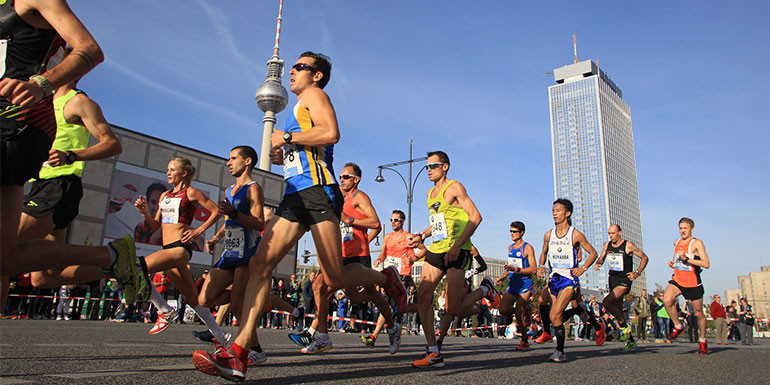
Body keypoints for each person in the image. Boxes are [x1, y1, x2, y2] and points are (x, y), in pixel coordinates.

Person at [192, 52, 405, 382]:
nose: (292, 70)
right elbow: (305, 151)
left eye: (300, 67)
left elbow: (331, 132)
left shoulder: (315, 96)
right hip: (294, 195)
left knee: (333, 279)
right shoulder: (296, 109)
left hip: (319, 192)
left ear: (316, 75)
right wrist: (282, 154)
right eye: (292, 66)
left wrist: (287, 138)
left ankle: (385, 278)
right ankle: (242, 351)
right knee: (261, 265)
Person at [0, 0, 148, 313]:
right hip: (38, 175)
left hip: (51, 173)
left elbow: (113, 144)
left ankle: (123, 258)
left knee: (7, 257)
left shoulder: (79, 102)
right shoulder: (55, 100)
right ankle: (114, 257)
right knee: (22, 269)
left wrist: (70, 154)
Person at [296, 162, 402, 355]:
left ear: (356, 180)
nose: (342, 179)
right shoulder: (339, 198)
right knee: (357, 297)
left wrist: (351, 223)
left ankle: (320, 335)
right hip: (341, 254)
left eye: (346, 177)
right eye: (341, 176)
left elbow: (375, 222)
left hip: (358, 256)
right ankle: (393, 327)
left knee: (323, 286)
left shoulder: (359, 197)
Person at [406, 151, 498, 369]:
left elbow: (476, 217)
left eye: (433, 166)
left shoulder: (455, 187)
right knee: (423, 296)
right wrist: (421, 236)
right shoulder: (430, 193)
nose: (428, 170)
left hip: (458, 250)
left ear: (445, 166)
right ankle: (434, 351)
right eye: (427, 167)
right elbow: (438, 222)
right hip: (437, 250)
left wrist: (457, 245)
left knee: (453, 309)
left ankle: (485, 291)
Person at [132, 157, 228, 343]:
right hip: (168, 248)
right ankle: (220, 336)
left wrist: (198, 231)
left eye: (172, 169)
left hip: (180, 249)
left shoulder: (191, 192)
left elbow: (217, 211)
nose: (168, 172)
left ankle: (164, 310)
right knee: (192, 298)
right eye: (167, 169)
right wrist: (144, 213)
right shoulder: (164, 196)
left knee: (137, 267)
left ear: (183, 173)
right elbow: (155, 226)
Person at [537, 198, 598, 363]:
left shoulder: (575, 234)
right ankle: (578, 314)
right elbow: (543, 252)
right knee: (553, 314)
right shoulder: (549, 234)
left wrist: (583, 268)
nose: (554, 213)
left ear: (567, 213)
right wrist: (540, 266)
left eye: (558, 210)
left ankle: (560, 351)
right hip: (554, 278)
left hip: (569, 279)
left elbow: (593, 253)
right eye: (553, 210)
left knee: (555, 314)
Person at [362, 209, 426, 348]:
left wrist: (414, 258)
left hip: (403, 273)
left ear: (402, 222)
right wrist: (379, 260)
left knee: (392, 304)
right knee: (388, 303)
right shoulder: (387, 237)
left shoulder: (408, 237)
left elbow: (423, 250)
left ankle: (378, 337)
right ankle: (422, 308)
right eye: (391, 220)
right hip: (389, 273)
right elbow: (383, 254)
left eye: (396, 220)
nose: (393, 222)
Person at [593, 224, 648, 351]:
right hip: (612, 279)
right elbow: (601, 258)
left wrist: (637, 273)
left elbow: (645, 258)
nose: (611, 236)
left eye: (613, 233)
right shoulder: (607, 245)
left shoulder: (628, 245)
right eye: (609, 234)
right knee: (617, 311)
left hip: (624, 280)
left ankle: (624, 327)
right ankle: (630, 341)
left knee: (606, 302)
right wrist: (598, 264)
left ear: (620, 233)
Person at [663, 217, 711, 355]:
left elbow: (706, 264)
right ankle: (678, 326)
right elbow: (678, 259)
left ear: (692, 229)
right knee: (667, 300)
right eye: (681, 228)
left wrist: (688, 259)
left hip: (693, 283)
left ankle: (702, 341)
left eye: (685, 228)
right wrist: (674, 263)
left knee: (698, 313)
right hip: (678, 280)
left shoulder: (696, 243)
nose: (683, 231)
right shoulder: (676, 242)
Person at [496, 221, 537, 351]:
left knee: (519, 310)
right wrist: (503, 276)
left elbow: (533, 269)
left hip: (525, 282)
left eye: (514, 232)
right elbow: (511, 266)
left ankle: (524, 340)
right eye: (510, 231)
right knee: (502, 310)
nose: (512, 234)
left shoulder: (527, 248)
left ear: (522, 233)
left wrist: (518, 269)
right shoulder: (510, 248)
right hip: (513, 283)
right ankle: (524, 309)